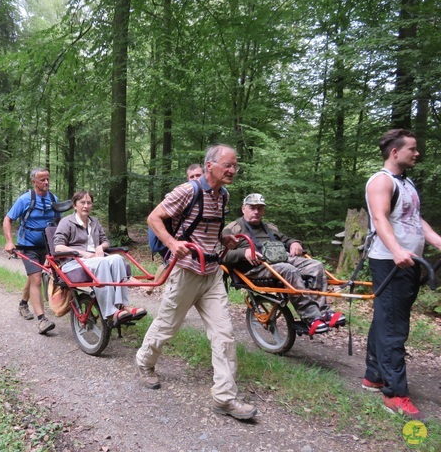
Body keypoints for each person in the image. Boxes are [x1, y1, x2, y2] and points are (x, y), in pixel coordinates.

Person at [136, 144, 257, 420]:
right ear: (210, 166)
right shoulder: (187, 191)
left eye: (235, 165)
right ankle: (144, 362)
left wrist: (222, 239)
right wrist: (171, 242)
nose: (232, 170)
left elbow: (209, 228)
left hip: (212, 273)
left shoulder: (223, 195)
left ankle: (225, 398)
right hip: (186, 271)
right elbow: (154, 217)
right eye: (228, 165)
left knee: (224, 333)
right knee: (167, 325)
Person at [362, 129, 441, 420]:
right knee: (395, 327)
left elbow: (414, 219)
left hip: (410, 261)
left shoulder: (405, 183)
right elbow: (380, 218)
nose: (417, 153)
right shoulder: (381, 181)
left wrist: (436, 240)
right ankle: (395, 394)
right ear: (395, 152)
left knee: (387, 318)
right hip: (391, 262)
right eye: (412, 149)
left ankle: (373, 375)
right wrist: (396, 250)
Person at [222, 193, 345, 335]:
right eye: (252, 207)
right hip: (255, 267)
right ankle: (311, 317)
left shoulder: (270, 227)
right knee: (289, 270)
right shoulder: (232, 228)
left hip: (280, 259)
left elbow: (286, 239)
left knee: (315, 265)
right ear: (244, 208)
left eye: (260, 208)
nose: (256, 211)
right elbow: (221, 255)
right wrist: (243, 253)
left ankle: (323, 312)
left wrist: (294, 243)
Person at [54, 190, 147, 325]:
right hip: (74, 262)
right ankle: (109, 312)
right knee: (102, 263)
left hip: (95, 259)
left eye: (89, 203)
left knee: (118, 259)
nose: (86, 206)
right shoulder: (66, 222)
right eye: (82, 202)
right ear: (75, 205)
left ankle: (123, 306)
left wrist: (100, 247)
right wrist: (82, 253)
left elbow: (106, 241)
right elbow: (58, 247)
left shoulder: (94, 222)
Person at [3, 167, 60, 334]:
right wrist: (9, 241)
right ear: (33, 182)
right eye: (42, 180)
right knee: (36, 279)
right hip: (27, 245)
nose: (46, 182)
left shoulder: (53, 198)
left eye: (48, 179)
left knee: (33, 275)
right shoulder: (24, 199)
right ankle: (42, 320)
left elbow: (59, 222)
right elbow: (8, 219)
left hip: (47, 245)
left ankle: (23, 304)